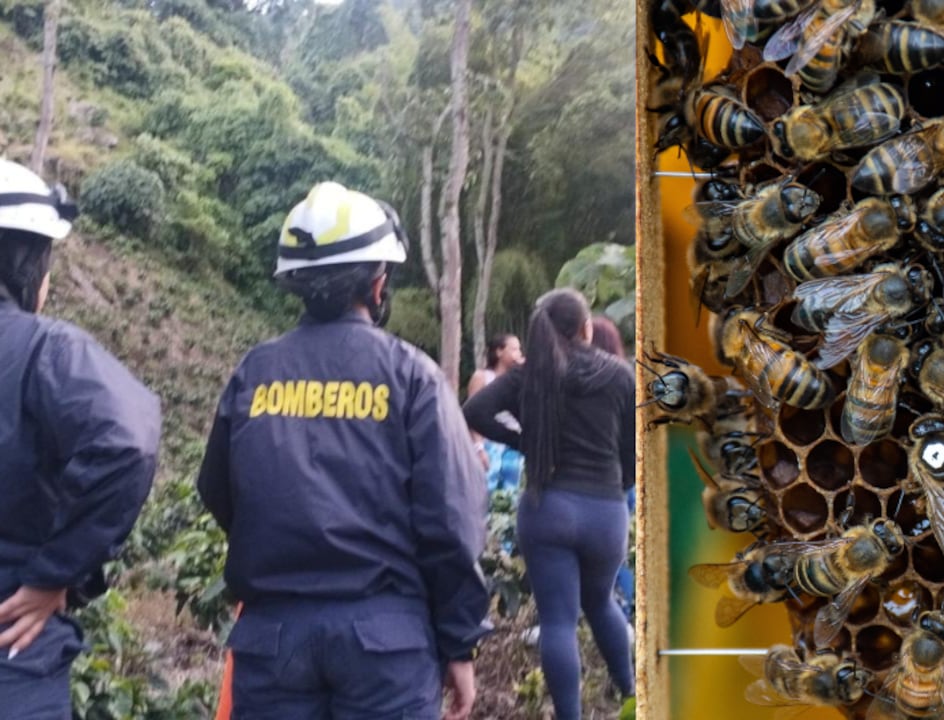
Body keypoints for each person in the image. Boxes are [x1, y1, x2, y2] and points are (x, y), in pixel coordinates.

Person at [197, 181, 489, 720]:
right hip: (386, 643)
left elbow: (216, 489)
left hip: (271, 638)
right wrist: (459, 641)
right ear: (378, 283)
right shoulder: (412, 376)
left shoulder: (254, 374)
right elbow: (452, 520)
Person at [0, 159, 160, 717]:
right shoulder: (46, 350)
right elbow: (127, 440)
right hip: (11, 646)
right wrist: (56, 573)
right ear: (27, 264)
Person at [464, 289, 635, 720]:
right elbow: (634, 448)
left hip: (547, 509)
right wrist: (619, 485)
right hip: (605, 511)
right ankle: (631, 694)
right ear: (586, 327)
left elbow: (475, 410)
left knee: (558, 621)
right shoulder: (619, 375)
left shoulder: (531, 377)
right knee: (601, 603)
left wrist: (525, 443)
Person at [588, 315, 635, 621]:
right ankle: (626, 609)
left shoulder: (585, 385)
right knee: (621, 556)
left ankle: (606, 610)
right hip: (622, 481)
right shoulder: (626, 380)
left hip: (593, 482)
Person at [466, 334, 525, 492]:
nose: (518, 354)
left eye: (519, 350)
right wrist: (478, 447)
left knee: (510, 491)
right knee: (486, 487)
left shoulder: (519, 379)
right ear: (499, 352)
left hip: (513, 441)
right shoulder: (483, 377)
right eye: (513, 349)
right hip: (488, 441)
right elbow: (472, 413)